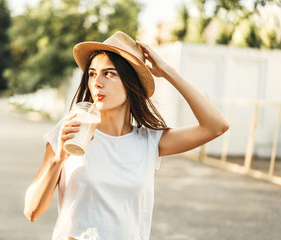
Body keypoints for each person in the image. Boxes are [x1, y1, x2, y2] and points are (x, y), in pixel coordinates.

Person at [23, 31, 229, 240]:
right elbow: (32, 211)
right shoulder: (70, 130)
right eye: (92, 74)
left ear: (131, 83)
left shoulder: (149, 141)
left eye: (109, 73)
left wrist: (168, 71)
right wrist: (58, 159)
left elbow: (216, 126)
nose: (97, 82)